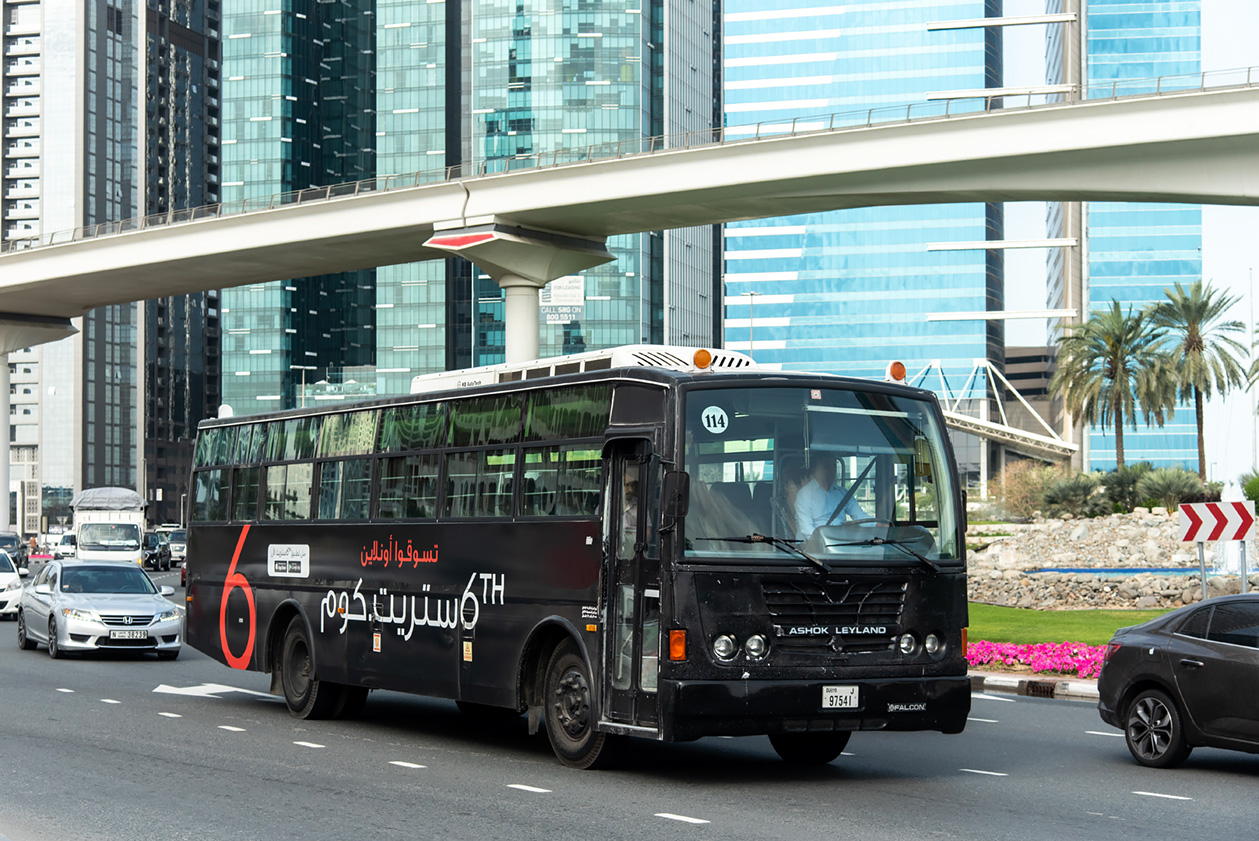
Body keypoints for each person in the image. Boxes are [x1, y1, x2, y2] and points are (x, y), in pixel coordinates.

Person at [795, 455, 868, 541]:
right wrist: (823, 543)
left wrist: (878, 524)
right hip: (812, 546)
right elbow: (806, 529)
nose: (832, 471)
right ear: (814, 471)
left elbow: (859, 516)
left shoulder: (842, 493)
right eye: (826, 467)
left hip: (840, 542)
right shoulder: (805, 494)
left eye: (834, 466)